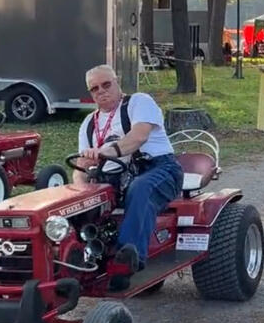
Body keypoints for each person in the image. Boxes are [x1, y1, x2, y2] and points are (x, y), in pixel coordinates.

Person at [73, 64, 184, 291]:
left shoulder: (139, 103)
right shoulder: (88, 124)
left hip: (159, 169)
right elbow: (81, 166)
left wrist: (104, 151)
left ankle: (128, 260)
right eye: (95, 88)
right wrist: (80, 192)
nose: (101, 91)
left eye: (106, 84)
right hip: (112, 177)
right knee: (77, 202)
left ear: (117, 82)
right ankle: (77, 260)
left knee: (140, 188)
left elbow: (138, 137)